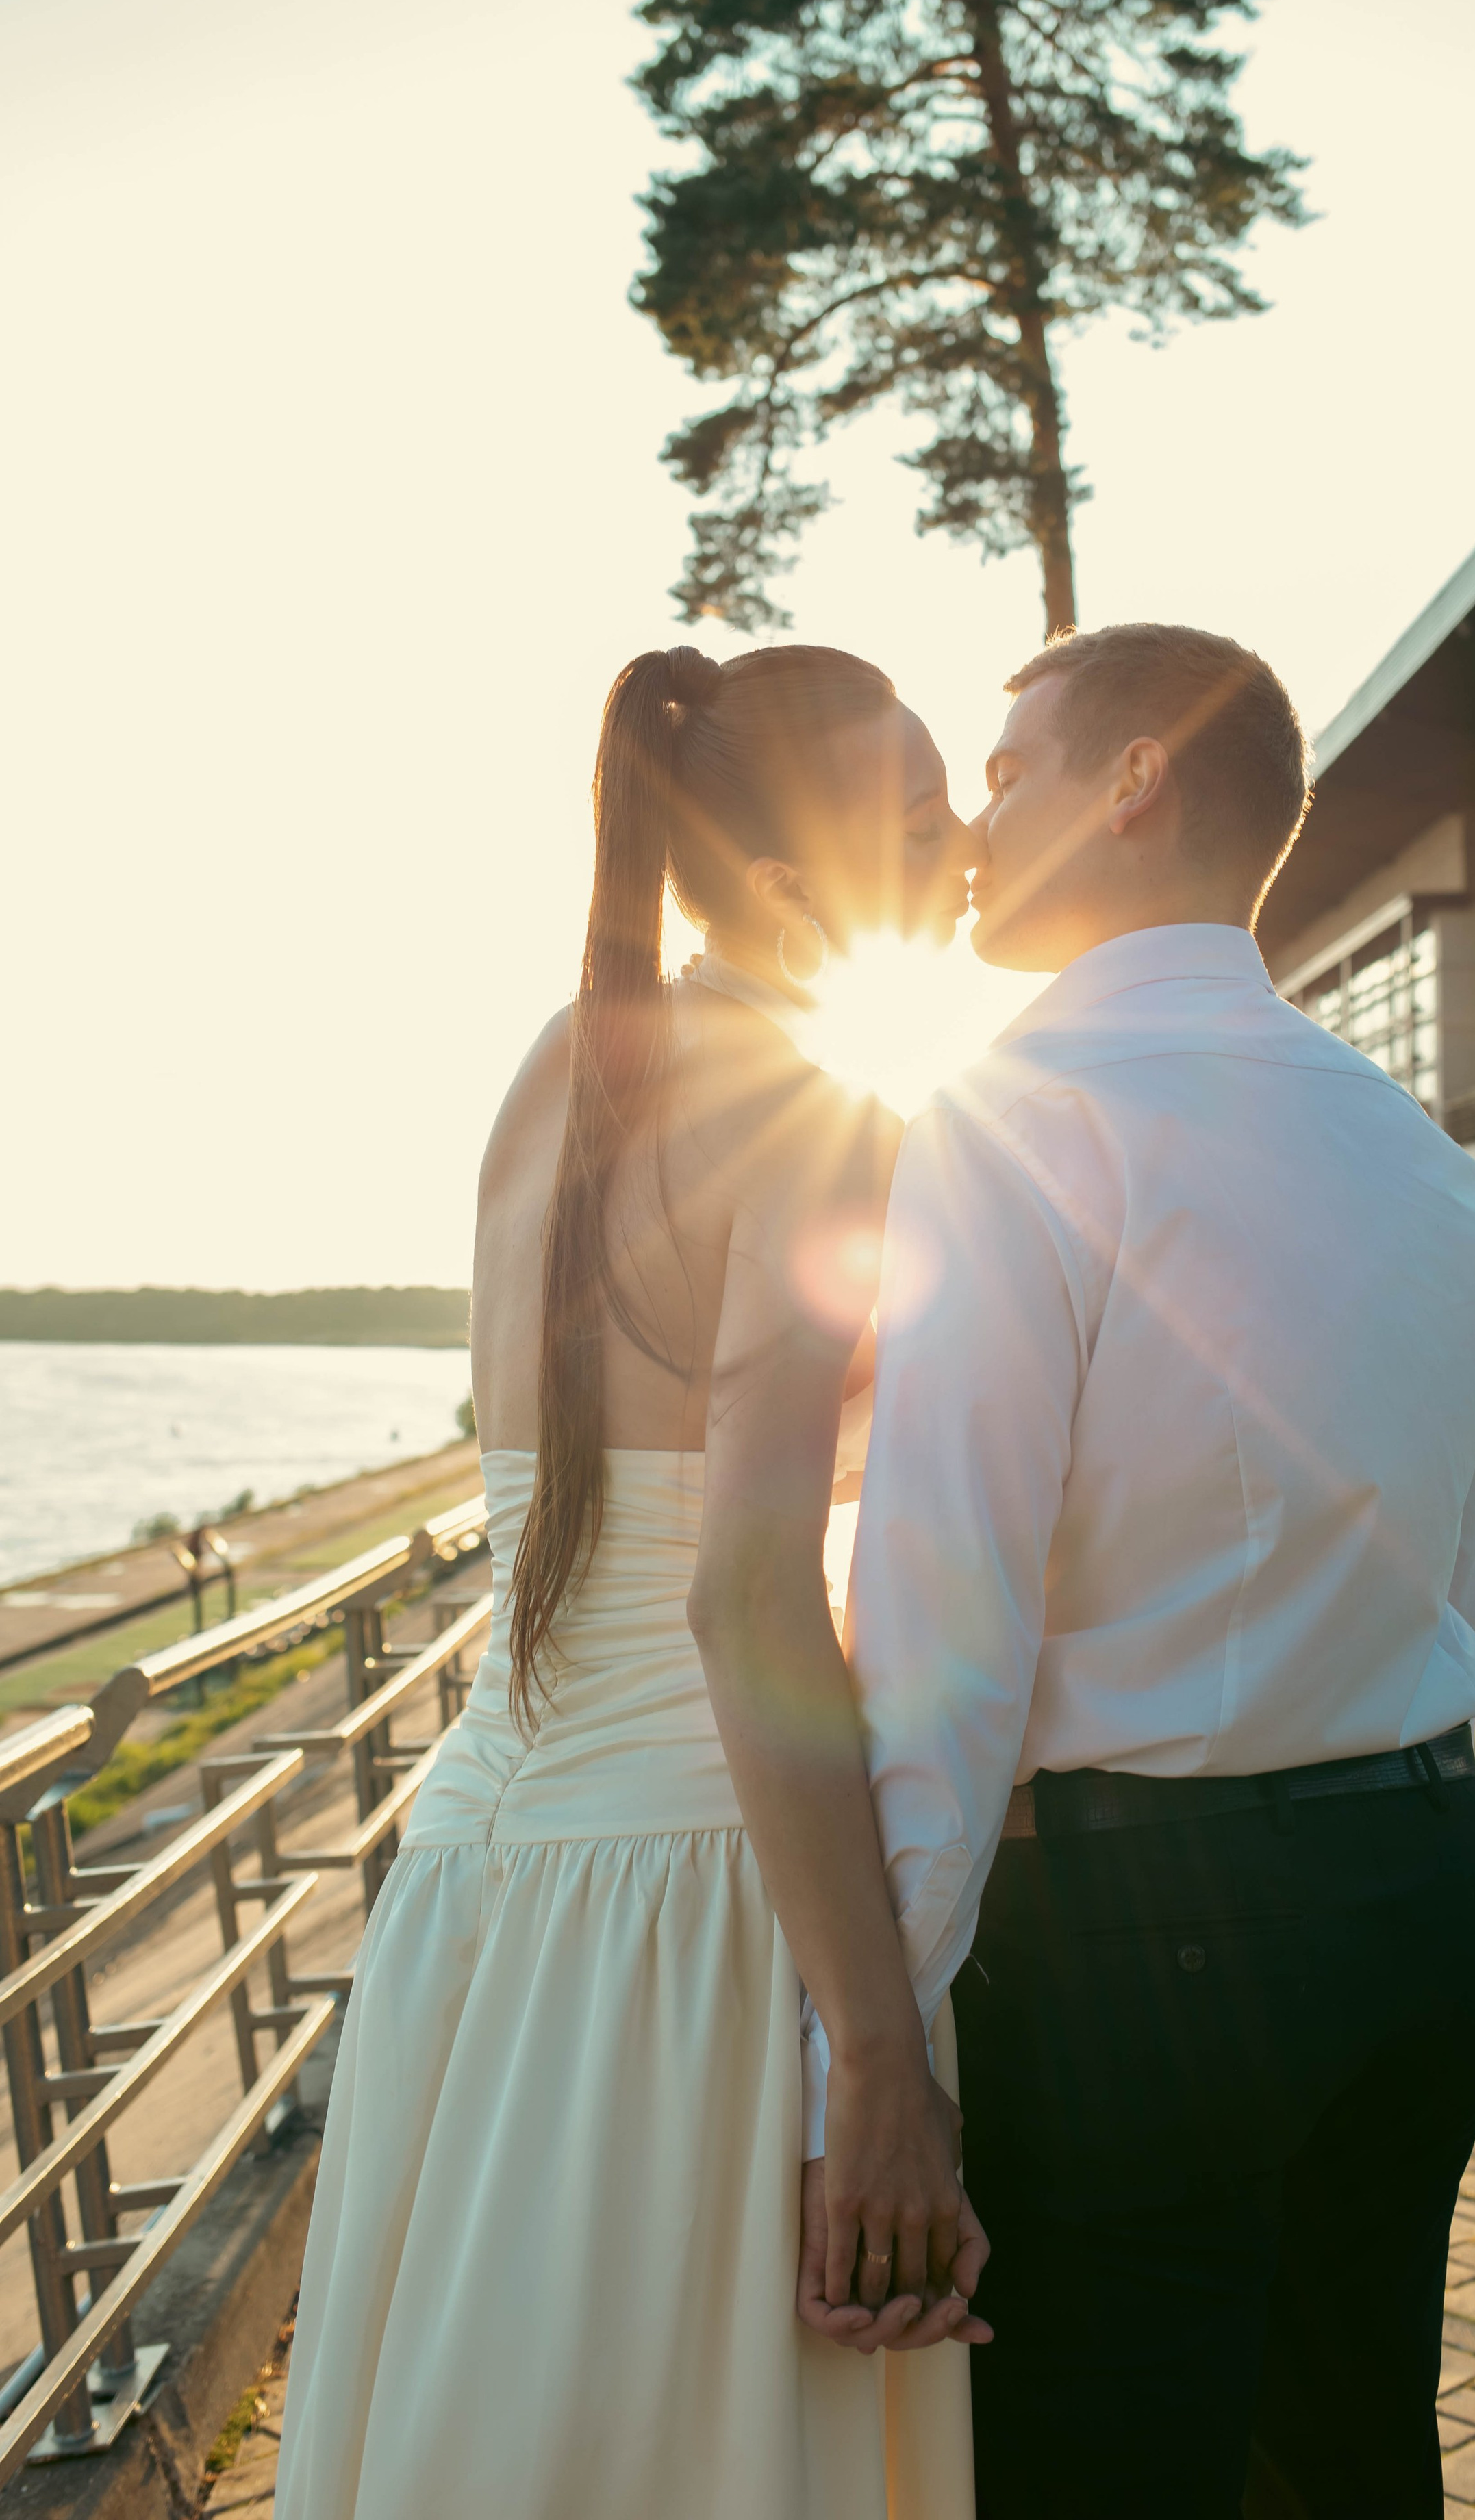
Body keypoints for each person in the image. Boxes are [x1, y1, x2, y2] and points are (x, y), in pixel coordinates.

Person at [275, 642, 988, 2520]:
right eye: (921, 822)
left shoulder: (556, 1069)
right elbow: (745, 1592)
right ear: (777, 887)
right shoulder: (823, 1117)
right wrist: (883, 2057)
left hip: (475, 1885)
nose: (970, 843)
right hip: (694, 1899)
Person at [825, 623, 1475, 2516]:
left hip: (1157, 1935)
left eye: (1008, 773)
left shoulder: (1018, 1120)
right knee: (1353, 2458)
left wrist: (877, 2062)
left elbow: (940, 1641)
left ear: (1134, 779)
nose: (972, 826)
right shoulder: (1431, 1165)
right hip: (1431, 1894)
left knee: (1107, 2474)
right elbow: (1439, 1575)